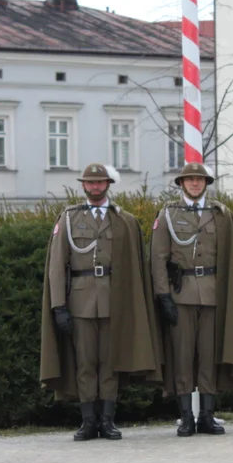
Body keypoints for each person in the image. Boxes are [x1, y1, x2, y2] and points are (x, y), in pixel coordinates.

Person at [40, 163, 161, 441]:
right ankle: (87, 421)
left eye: (100, 183)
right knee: (85, 362)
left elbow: (135, 268)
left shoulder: (124, 220)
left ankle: (107, 420)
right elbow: (57, 266)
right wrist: (59, 305)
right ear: (83, 185)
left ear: (108, 185)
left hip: (113, 300)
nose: (95, 187)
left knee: (109, 363)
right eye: (90, 183)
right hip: (80, 301)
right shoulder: (69, 218)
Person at [150, 162, 233, 436]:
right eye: (190, 180)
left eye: (200, 180)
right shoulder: (168, 215)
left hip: (212, 293)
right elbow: (158, 257)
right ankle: (187, 416)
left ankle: (207, 416)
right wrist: (163, 294)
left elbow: (231, 258)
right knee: (183, 355)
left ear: (206, 183)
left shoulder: (219, 214)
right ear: (181, 184)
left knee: (209, 355)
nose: (196, 184)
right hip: (181, 293)